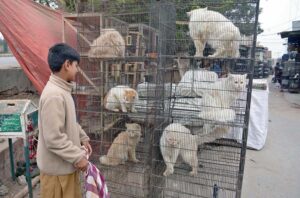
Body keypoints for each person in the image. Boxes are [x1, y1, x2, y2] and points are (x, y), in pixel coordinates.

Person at [37, 43, 92, 198]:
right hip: (57, 174)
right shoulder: (54, 95)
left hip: (64, 167)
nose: (77, 70)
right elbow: (54, 138)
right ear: (67, 65)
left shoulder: (62, 90)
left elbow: (70, 122)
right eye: (76, 65)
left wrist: (82, 137)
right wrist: (78, 157)